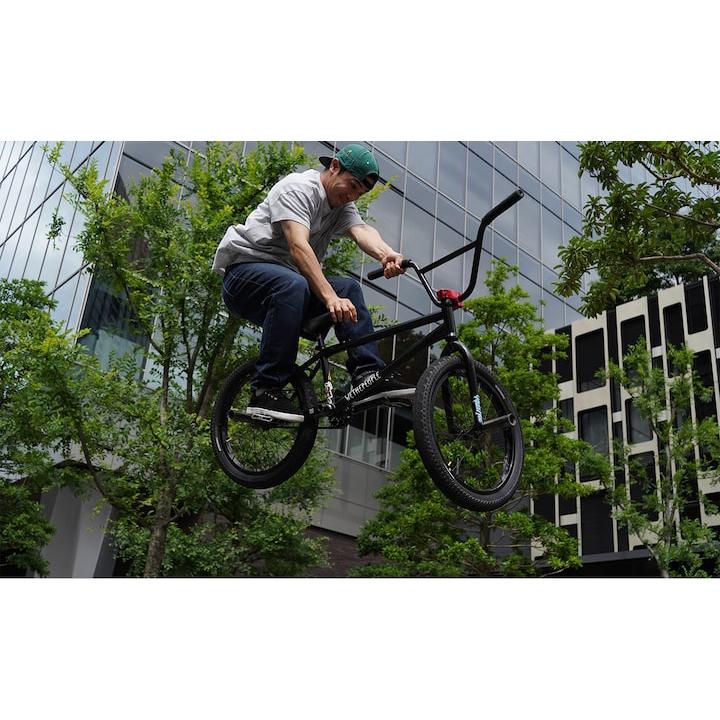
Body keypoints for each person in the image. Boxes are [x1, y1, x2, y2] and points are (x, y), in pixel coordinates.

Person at [212, 144, 413, 422]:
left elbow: (362, 230)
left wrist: (386, 254)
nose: (352, 196)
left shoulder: (342, 206)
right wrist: (329, 297)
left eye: (359, 193)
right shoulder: (298, 188)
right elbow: (298, 247)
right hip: (244, 276)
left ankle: (367, 375)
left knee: (348, 288)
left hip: (289, 288)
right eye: (352, 186)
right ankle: (265, 389)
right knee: (295, 284)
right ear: (334, 167)